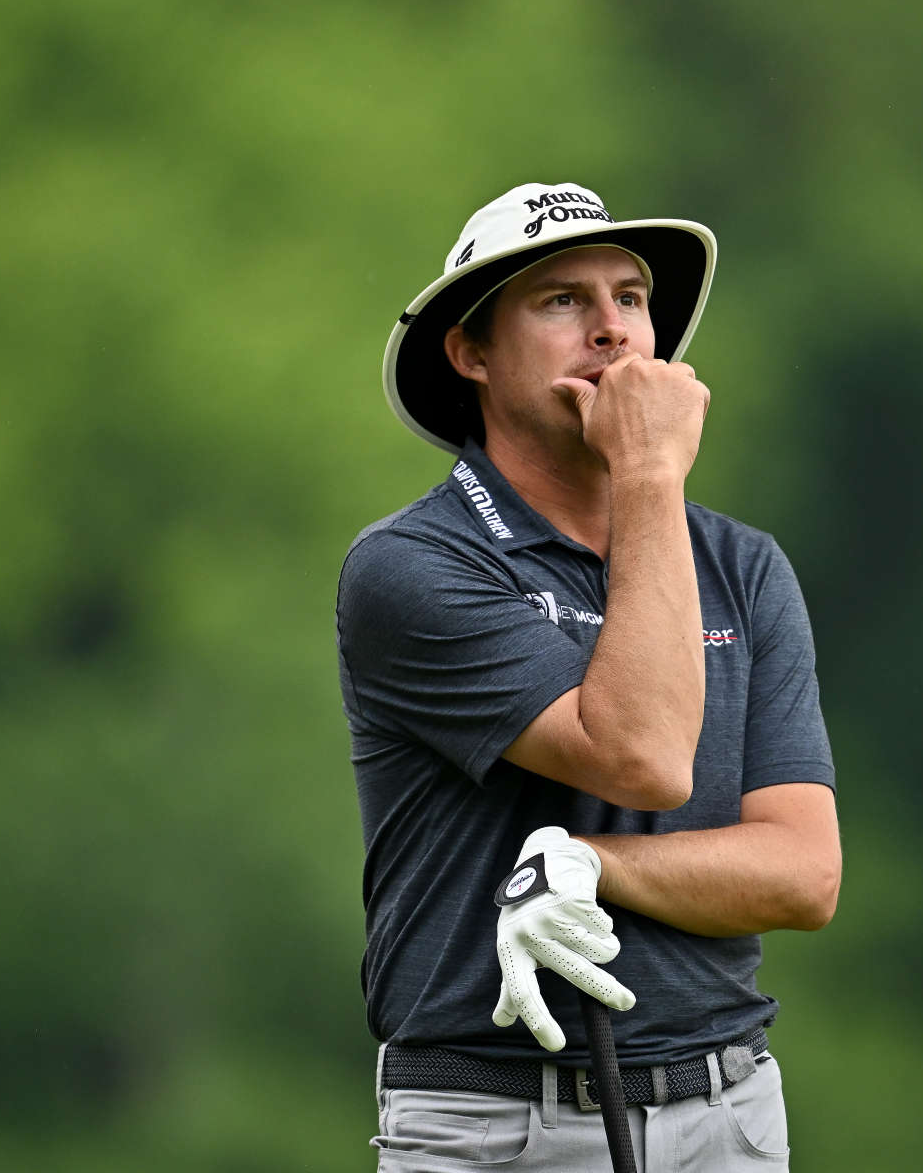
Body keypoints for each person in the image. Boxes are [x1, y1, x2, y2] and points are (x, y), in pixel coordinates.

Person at [337, 181, 840, 1170]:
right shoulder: (411, 567)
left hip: (727, 1111)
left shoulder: (744, 565)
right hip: (492, 1126)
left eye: (631, 296)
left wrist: (594, 865)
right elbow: (644, 757)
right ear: (471, 351)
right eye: (561, 300)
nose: (611, 329)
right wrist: (649, 474)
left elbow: (802, 870)